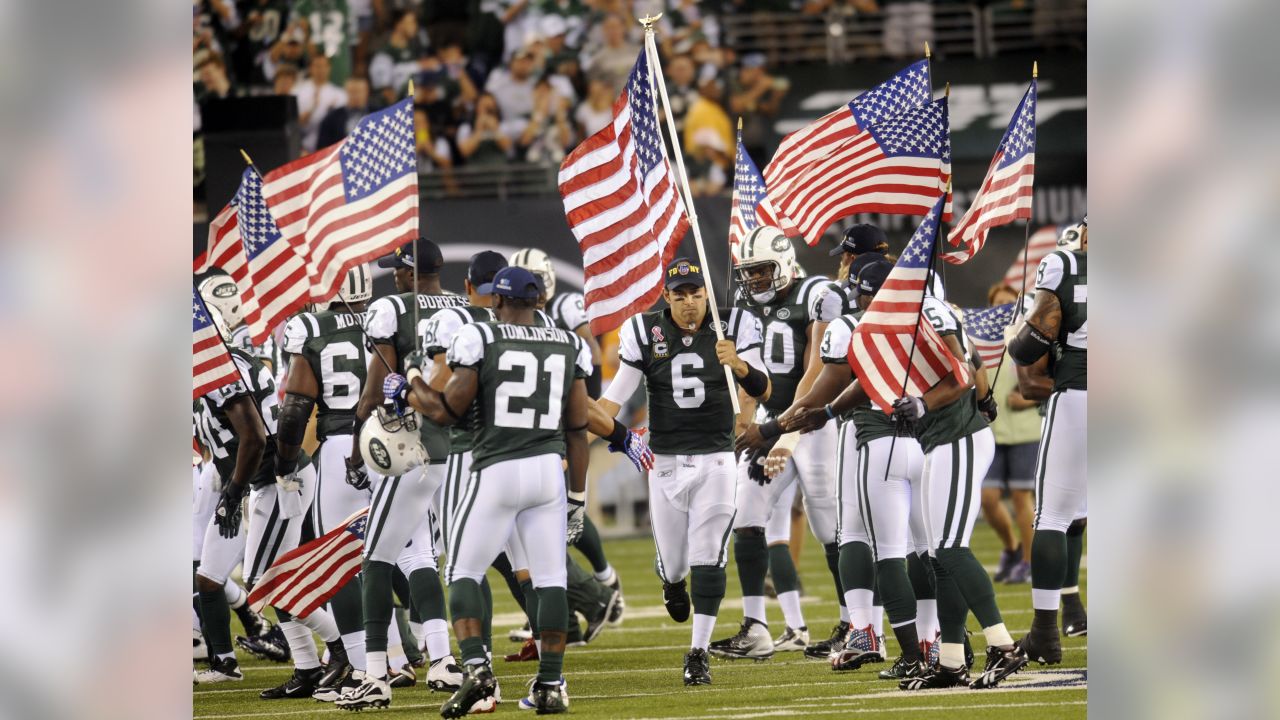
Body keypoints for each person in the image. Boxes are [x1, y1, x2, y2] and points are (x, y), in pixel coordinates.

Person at [388, 266, 594, 715]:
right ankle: (552, 683)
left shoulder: (479, 337)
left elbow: (445, 411)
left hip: (496, 467)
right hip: (547, 472)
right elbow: (578, 430)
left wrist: (409, 386)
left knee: (462, 571)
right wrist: (578, 496)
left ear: (497, 302)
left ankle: (478, 671)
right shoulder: (570, 343)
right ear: (539, 300)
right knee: (550, 580)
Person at [597, 257, 771, 686]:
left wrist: (741, 366)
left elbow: (766, 389)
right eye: (680, 296)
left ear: (706, 294)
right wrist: (595, 427)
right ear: (667, 298)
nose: (690, 303)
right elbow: (617, 395)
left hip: (716, 457)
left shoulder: (733, 326)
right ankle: (672, 584)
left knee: (708, 553)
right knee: (675, 567)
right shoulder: (645, 331)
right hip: (666, 461)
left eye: (696, 294)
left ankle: (698, 653)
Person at [335, 241, 471, 710]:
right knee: (421, 556)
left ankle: (375, 674)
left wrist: (356, 449)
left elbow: (372, 393)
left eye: (399, 267)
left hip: (405, 443)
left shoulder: (391, 308)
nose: (392, 274)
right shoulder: (462, 306)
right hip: (450, 449)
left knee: (374, 557)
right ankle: (442, 659)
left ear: (411, 271)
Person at [778, 260, 931, 679]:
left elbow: (831, 382)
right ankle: (940, 640)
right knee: (931, 546)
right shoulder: (931, 315)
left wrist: (782, 425)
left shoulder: (850, 324)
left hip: (869, 436)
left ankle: (869, 631)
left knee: (866, 538)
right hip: (934, 439)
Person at [192, 306, 344, 693]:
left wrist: (231, 492)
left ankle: (342, 651)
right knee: (214, 576)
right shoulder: (212, 364)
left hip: (279, 479)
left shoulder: (220, 369)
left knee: (267, 582)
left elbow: (255, 438)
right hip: (257, 482)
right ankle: (294, 667)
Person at [711, 226, 841, 661]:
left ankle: (855, 622)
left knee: (829, 526)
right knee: (747, 512)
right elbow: (748, 378)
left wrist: (786, 432)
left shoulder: (818, 294)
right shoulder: (745, 307)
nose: (755, 280)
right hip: (771, 423)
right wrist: (745, 425)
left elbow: (816, 371)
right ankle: (756, 626)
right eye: (749, 272)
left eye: (763, 270)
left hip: (817, 424)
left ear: (784, 263)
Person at [276, 265, 376, 701]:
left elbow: (296, 408)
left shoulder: (310, 327)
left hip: (341, 444)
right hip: (394, 445)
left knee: (341, 562)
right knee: (401, 557)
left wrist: (285, 462)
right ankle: (401, 655)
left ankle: (357, 667)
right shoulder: (387, 317)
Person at [1010, 217, 1089, 663]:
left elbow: (1025, 351)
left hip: (1080, 392)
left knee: (1053, 516)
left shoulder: (1065, 264)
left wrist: (1020, 340)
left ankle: (1044, 631)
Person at [981, 283, 1039, 584]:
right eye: (997, 304)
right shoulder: (981, 341)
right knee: (988, 498)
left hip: (1026, 430)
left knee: (1020, 497)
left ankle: (1029, 562)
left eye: (1008, 304)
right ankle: (1013, 548)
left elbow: (1048, 380)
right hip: (992, 431)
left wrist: (1029, 398)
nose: (1002, 309)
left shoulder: (1029, 337)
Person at [292, 54, 349, 151]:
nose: (321, 70)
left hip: (329, 146)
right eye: (317, 66)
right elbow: (293, 123)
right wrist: (312, 108)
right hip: (302, 146)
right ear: (310, 68)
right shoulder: (297, 91)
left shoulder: (339, 94)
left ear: (329, 68)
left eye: (324, 66)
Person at [316, 76, 372, 149]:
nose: (356, 96)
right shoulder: (331, 119)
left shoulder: (380, 114)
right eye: (352, 92)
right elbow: (323, 149)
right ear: (346, 92)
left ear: (367, 92)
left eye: (359, 91)